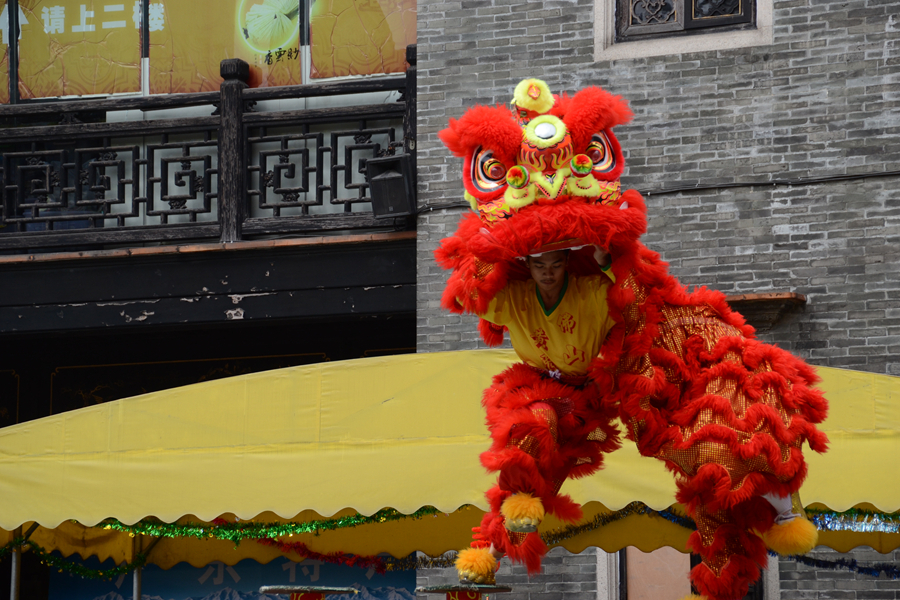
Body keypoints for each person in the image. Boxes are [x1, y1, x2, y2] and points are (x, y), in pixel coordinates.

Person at [456, 246, 622, 583]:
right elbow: (470, 295)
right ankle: (498, 539)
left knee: (546, 483)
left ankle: (491, 554)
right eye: (539, 265)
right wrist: (487, 250)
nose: (548, 273)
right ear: (527, 266)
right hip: (535, 389)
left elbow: (630, 291)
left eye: (555, 264)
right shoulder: (514, 297)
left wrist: (606, 255)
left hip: (584, 398)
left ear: (567, 264)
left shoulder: (591, 290)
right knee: (535, 428)